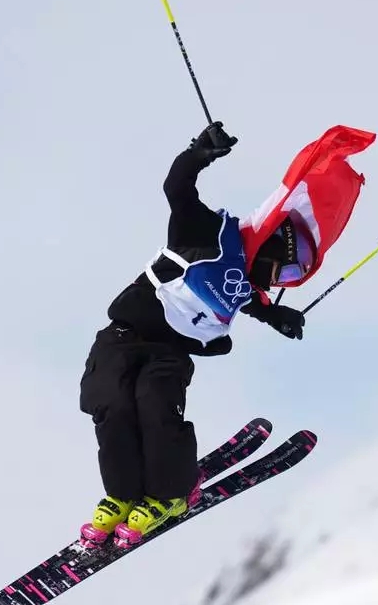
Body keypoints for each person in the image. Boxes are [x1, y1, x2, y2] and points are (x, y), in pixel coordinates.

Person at [78, 122, 313, 550]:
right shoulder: (207, 234)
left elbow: (251, 303)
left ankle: (169, 494)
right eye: (287, 269)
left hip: (168, 353)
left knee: (154, 407)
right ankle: (123, 494)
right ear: (270, 246)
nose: (282, 280)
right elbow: (177, 188)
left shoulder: (244, 285)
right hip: (123, 335)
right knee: (111, 404)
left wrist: (276, 316)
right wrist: (198, 153)